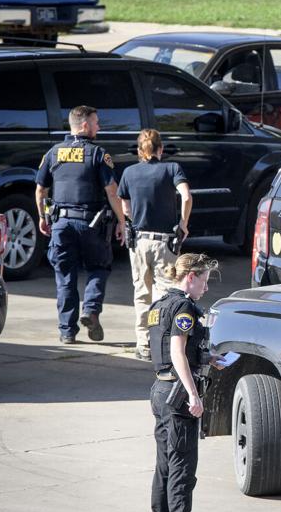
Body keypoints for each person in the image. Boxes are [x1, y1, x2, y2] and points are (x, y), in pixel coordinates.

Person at [148, 252, 226, 512]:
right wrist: (194, 395)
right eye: (204, 281)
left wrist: (208, 359)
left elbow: (171, 351)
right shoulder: (183, 306)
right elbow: (177, 351)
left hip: (160, 389)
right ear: (190, 277)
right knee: (182, 471)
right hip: (178, 394)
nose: (206, 288)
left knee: (165, 468)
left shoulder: (159, 306)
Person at [34, 105, 125, 344]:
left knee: (65, 276)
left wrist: (43, 217)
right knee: (99, 267)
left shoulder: (53, 152)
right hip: (91, 223)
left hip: (61, 224)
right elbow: (112, 191)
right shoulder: (97, 154)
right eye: (96, 122)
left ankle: (67, 332)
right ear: (84, 125)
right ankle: (91, 310)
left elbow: (40, 189)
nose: (99, 127)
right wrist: (123, 221)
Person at [118, 129, 192, 361]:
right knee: (164, 294)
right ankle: (162, 341)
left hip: (139, 242)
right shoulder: (171, 169)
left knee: (142, 293)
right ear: (161, 149)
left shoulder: (129, 172)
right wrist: (183, 223)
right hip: (165, 243)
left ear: (140, 151)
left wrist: (131, 221)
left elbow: (125, 206)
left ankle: (144, 345)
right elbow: (187, 197)